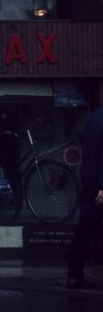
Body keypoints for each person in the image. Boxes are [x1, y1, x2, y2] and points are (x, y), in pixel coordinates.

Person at [68, 107, 103, 288]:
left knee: (85, 227)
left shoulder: (93, 117)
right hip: (98, 186)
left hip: (89, 181)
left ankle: (74, 275)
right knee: (87, 227)